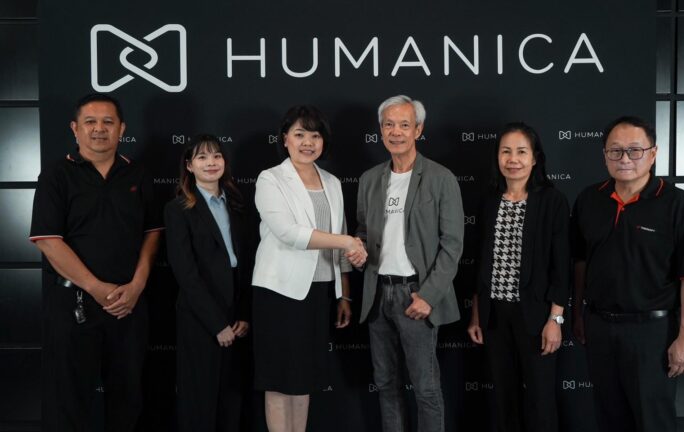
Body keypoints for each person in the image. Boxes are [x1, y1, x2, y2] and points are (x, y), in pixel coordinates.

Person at [29, 93, 162, 431]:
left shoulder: (138, 175)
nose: (99, 129)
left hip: (128, 306)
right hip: (73, 304)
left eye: (107, 122)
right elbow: (48, 240)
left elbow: (152, 233)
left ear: (122, 129)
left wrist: (137, 286)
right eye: (90, 122)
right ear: (75, 129)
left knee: (129, 400)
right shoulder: (56, 175)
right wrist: (96, 288)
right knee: (68, 402)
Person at [571, 116, 684, 432]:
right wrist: (578, 314)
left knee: (652, 421)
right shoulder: (589, 199)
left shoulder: (678, 204)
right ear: (604, 154)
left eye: (635, 150)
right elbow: (581, 262)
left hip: (652, 333)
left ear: (653, 153)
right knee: (609, 418)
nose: (625, 159)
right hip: (600, 327)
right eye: (615, 151)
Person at [250, 105, 366, 432]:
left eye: (315, 136)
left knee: (304, 379)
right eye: (299, 134)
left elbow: (340, 236)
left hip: (318, 291)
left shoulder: (332, 182)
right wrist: (347, 242)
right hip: (279, 291)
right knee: (278, 379)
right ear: (284, 138)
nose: (307, 142)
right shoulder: (271, 179)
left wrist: (344, 294)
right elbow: (289, 233)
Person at [356, 95, 464, 432]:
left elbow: (452, 244)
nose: (396, 132)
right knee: (386, 386)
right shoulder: (369, 179)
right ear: (380, 130)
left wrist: (428, 296)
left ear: (418, 130)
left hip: (416, 295)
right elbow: (363, 232)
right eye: (389, 124)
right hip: (378, 295)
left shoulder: (441, 177)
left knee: (426, 388)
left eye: (404, 124)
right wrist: (356, 251)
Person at [466, 122, 568, 432]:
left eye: (521, 152)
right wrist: (476, 315)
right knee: (503, 399)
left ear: (535, 158)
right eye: (506, 151)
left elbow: (561, 266)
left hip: (536, 316)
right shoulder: (489, 200)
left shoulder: (551, 201)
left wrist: (555, 319)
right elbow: (480, 264)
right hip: (495, 316)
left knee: (540, 400)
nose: (513, 159)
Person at [164, 135, 253, 432]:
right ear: (189, 166)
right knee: (199, 402)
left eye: (216, 156)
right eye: (202, 157)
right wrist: (217, 324)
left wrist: (243, 314)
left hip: (235, 313)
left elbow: (247, 262)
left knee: (232, 400)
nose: (211, 162)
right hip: (200, 316)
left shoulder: (237, 204)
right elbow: (185, 272)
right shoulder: (178, 209)